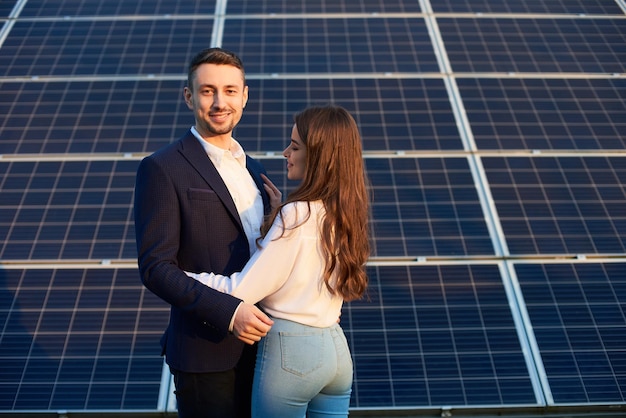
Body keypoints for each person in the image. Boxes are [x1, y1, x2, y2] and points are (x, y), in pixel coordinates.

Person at [185, 105, 371, 417]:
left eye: (295, 146)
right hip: (336, 353)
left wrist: (182, 276)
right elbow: (305, 268)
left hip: (292, 357)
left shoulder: (297, 215)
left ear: (318, 156)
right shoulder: (345, 214)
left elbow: (240, 291)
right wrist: (276, 219)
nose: (286, 152)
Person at [134, 47, 280, 418]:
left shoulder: (256, 171)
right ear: (189, 96)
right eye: (207, 91)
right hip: (205, 355)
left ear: (245, 96)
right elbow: (156, 268)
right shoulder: (162, 168)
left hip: (267, 351)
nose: (220, 102)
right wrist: (229, 313)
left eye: (230, 91)